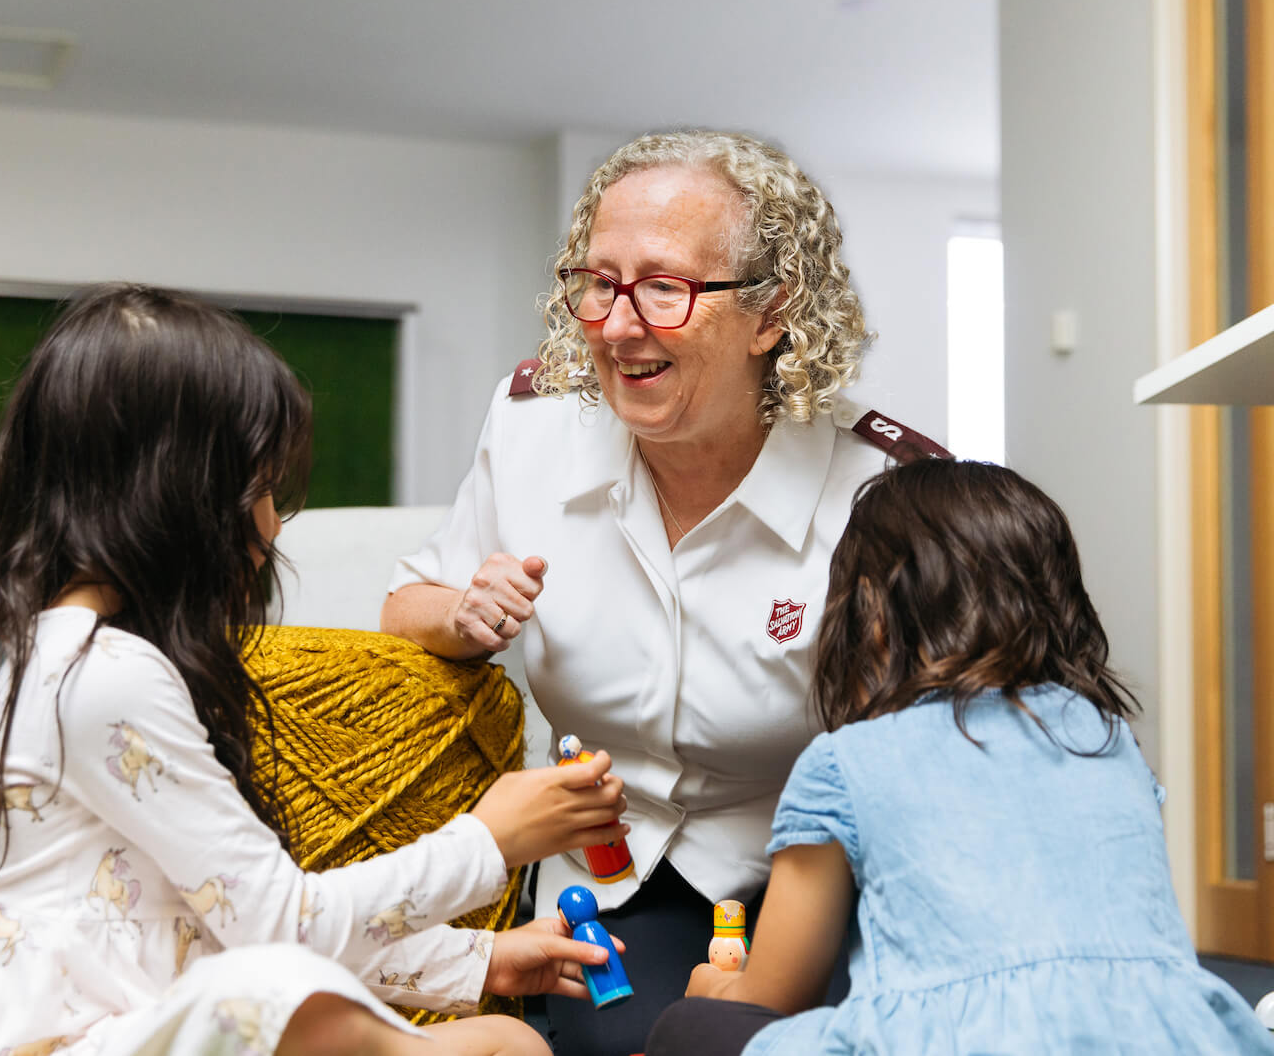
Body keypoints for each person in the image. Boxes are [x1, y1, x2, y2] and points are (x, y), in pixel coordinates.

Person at [0, 283, 631, 1056]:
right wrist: (489, 839)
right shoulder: (103, 673)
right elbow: (277, 926)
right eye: (261, 486)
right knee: (363, 1016)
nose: (274, 521)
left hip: (100, 1022)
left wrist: (479, 956)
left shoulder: (58, 652)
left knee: (495, 1040)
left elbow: (220, 916)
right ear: (181, 494)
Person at [382, 131, 944, 1054]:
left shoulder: (887, 491)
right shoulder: (532, 428)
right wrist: (463, 614)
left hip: (823, 866)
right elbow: (406, 606)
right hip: (612, 870)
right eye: (600, 283)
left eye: (665, 287)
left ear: (772, 312)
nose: (616, 324)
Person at [643, 459, 1274, 1056]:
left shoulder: (845, 763)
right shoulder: (1105, 737)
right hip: (1164, 1039)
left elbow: (777, 998)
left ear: (870, 617)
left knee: (691, 1027)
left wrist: (714, 988)